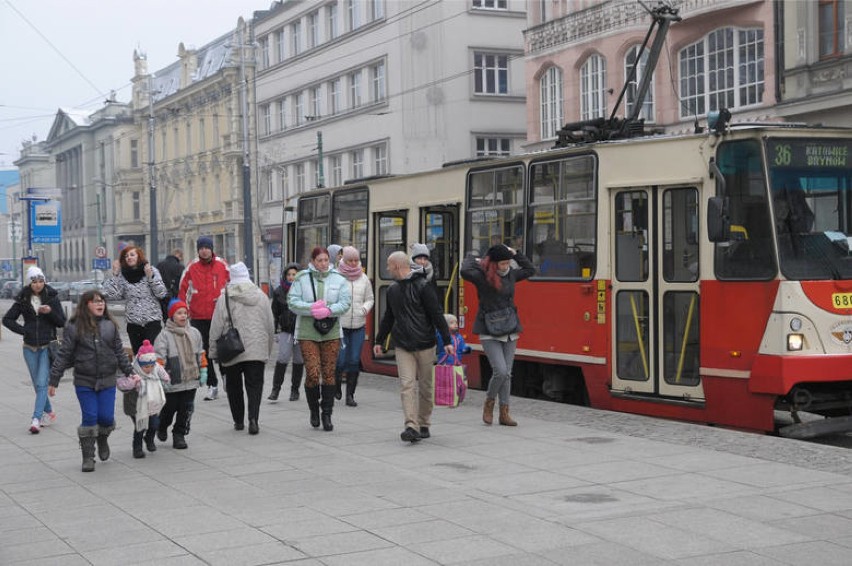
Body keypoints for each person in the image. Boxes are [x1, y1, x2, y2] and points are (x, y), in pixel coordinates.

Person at [49, 290, 137, 472]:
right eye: (96, 301)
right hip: (84, 381)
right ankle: (88, 457)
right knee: (90, 417)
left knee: (106, 417)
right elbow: (64, 354)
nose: (100, 304)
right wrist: (53, 380)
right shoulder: (74, 326)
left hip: (107, 380)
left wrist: (131, 372)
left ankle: (103, 438)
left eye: (102, 301)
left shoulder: (110, 325)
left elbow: (119, 352)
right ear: (86, 304)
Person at [373, 251, 453, 443]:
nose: (387, 269)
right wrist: (379, 340)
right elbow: (388, 318)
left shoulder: (423, 286)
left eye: (389, 266)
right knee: (407, 385)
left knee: (425, 386)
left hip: (425, 343)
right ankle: (411, 425)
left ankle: (424, 423)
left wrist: (447, 341)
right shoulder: (393, 290)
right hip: (403, 345)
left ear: (398, 266)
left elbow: (436, 314)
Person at [461, 244, 535, 426]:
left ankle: (504, 412)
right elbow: (464, 270)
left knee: (507, 374)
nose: (506, 266)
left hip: (510, 327)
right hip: (489, 328)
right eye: (502, 263)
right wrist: (476, 258)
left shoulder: (511, 274)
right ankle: (489, 403)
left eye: (507, 262)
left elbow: (530, 269)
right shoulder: (482, 276)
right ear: (493, 264)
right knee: (500, 371)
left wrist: (516, 254)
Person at [288, 247, 352, 431]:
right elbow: (292, 301)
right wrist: (311, 308)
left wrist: (329, 310)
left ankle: (327, 413)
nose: (323, 263)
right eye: (319, 260)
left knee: (329, 373)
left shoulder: (338, 279)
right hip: (308, 332)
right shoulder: (301, 278)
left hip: (331, 332)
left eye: (326, 260)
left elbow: (345, 302)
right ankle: (314, 410)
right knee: (314, 373)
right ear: (313, 261)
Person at [209, 262, 275, 435]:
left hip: (232, 349)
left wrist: (213, 352)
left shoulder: (225, 297)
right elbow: (270, 325)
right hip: (256, 349)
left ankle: (238, 420)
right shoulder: (261, 296)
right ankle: (253, 418)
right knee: (255, 385)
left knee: (234, 386)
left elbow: (216, 327)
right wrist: (266, 350)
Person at [3, 266, 67, 434]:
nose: (38, 285)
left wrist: (49, 312)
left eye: (40, 281)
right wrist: (24, 331)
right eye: (34, 281)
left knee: (41, 383)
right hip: (29, 348)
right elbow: (7, 319)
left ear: (44, 281)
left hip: (47, 346)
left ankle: (36, 419)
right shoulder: (23, 298)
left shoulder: (52, 297)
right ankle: (50, 412)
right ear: (29, 282)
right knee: (37, 385)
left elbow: (61, 322)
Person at [179, 236, 229, 401]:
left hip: (219, 316)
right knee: (204, 352)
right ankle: (212, 385)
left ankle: (225, 376)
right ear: (198, 250)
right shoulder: (191, 267)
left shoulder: (222, 265)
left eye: (207, 247)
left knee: (222, 350)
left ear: (212, 248)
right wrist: (182, 312)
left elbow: (232, 286)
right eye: (201, 248)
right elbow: (183, 291)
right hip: (198, 317)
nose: (204, 250)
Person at [154, 299, 206, 449]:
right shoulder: (164, 335)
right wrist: (160, 375)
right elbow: (159, 358)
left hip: (191, 379)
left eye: (185, 313)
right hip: (172, 380)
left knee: (186, 409)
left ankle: (179, 434)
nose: (183, 316)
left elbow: (201, 353)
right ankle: (162, 425)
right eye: (179, 313)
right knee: (170, 408)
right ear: (172, 316)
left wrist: (203, 371)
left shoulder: (194, 333)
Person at [103, 245, 168, 354]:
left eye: (132, 255)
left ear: (139, 256)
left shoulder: (151, 270)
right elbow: (113, 294)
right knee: (139, 356)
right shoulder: (122, 275)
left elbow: (161, 293)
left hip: (152, 321)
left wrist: (150, 277)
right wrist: (115, 274)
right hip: (133, 323)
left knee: (152, 355)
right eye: (126, 256)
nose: (129, 257)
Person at [335, 246, 374, 406]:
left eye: (355, 260)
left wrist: (364, 309)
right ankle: (336, 386)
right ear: (343, 260)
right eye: (350, 260)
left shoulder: (363, 278)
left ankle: (350, 395)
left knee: (354, 360)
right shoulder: (336, 277)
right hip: (340, 325)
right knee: (340, 360)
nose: (353, 263)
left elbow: (370, 298)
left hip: (358, 325)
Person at [117, 339, 169, 459]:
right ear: (140, 364)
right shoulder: (132, 371)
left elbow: (161, 371)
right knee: (141, 426)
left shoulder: (155, 368)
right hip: (136, 405)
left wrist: (166, 378)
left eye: (151, 366)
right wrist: (133, 382)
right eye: (146, 366)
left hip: (152, 404)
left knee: (154, 424)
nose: (149, 369)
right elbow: (122, 385)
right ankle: (137, 448)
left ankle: (149, 438)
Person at [269, 263, 304, 402]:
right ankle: (275, 389)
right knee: (282, 358)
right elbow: (274, 313)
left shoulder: (304, 290)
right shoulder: (279, 292)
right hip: (285, 330)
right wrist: (276, 331)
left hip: (301, 331)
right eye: (289, 275)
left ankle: (295, 390)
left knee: (299, 360)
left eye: (294, 275)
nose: (291, 277)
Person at [156, 248, 185, 318]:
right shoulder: (180, 267)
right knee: (174, 317)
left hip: (161, 297)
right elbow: (182, 283)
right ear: (179, 255)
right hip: (175, 297)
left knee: (165, 318)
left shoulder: (160, 265)